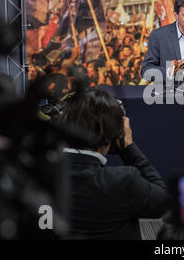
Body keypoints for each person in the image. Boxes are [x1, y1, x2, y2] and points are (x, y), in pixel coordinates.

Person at [60, 88, 171, 239]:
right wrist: (128, 147)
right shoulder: (123, 181)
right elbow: (163, 202)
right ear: (116, 134)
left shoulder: (38, 175)